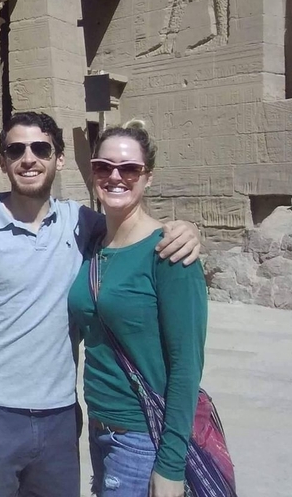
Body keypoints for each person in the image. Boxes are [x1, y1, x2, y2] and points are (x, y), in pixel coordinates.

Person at [0, 111, 201, 497]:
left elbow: (135, 229)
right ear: (2, 161)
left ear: (59, 159)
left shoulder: (81, 222)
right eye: (16, 149)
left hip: (62, 419)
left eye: (40, 148)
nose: (29, 158)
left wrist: (187, 231)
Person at [69, 121, 208, 497]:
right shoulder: (92, 242)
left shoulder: (170, 252)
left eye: (129, 169)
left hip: (143, 438)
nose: (115, 177)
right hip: (99, 430)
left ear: (148, 178)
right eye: (103, 166)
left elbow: (186, 367)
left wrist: (171, 466)